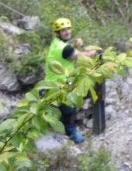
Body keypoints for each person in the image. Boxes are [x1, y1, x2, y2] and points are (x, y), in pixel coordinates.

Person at [41, 17, 99, 145]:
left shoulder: (57, 43)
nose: (67, 32)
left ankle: (62, 124)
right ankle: (71, 132)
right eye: (63, 30)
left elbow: (67, 50)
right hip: (57, 86)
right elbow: (77, 56)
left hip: (56, 83)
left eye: (68, 29)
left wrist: (74, 44)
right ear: (58, 33)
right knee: (69, 110)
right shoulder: (63, 48)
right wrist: (95, 53)